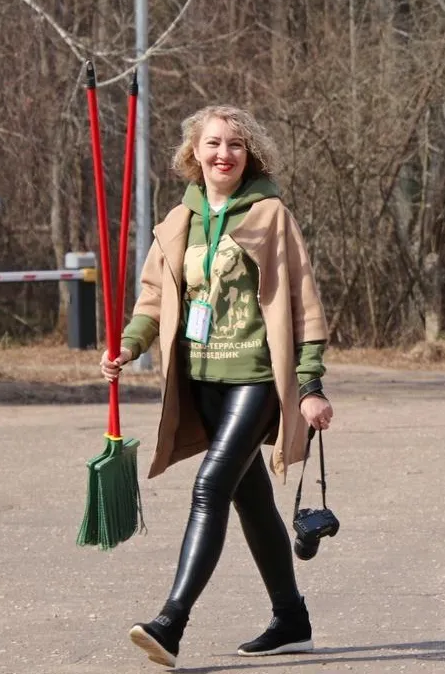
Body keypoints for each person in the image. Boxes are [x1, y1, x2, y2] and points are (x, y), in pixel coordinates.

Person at [99, 105, 333, 667]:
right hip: (202, 381)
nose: (223, 153)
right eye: (212, 143)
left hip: (255, 379)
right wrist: (128, 346)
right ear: (194, 153)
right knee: (251, 501)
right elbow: (153, 299)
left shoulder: (271, 214)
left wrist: (310, 382)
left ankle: (171, 622)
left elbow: (303, 299)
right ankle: (291, 617)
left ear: (248, 154)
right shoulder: (181, 220)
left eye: (234, 144)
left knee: (210, 488)